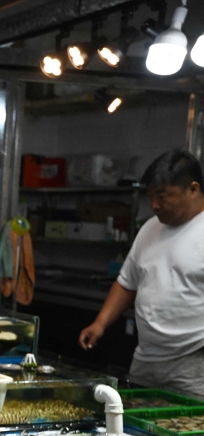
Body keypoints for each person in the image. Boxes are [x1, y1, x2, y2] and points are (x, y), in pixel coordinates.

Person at [79, 150, 204, 396]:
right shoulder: (150, 228)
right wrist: (100, 324)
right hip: (146, 357)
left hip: (193, 364)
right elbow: (127, 282)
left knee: (189, 432)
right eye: (150, 196)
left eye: (163, 196)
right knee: (134, 429)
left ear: (193, 189)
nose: (154, 205)